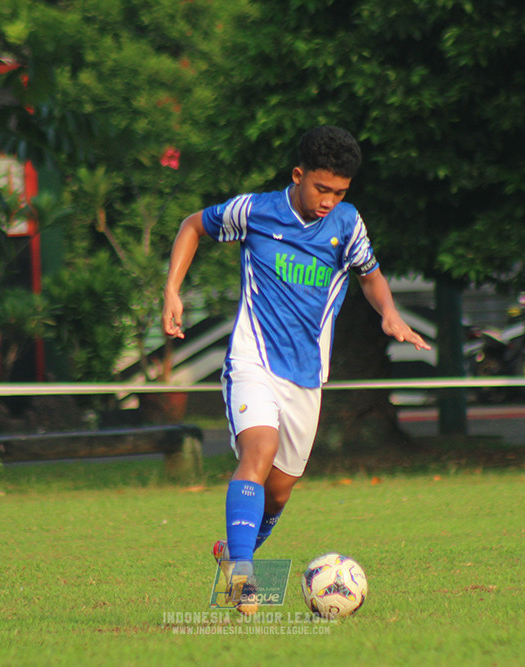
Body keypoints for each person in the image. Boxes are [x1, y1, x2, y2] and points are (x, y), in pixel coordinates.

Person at [161, 125, 429, 614]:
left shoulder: (347, 225)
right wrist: (172, 290)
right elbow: (192, 225)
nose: (329, 200)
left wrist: (389, 312)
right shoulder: (256, 212)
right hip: (253, 361)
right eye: (321, 188)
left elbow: (371, 277)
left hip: (306, 376)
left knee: (279, 495)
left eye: (339, 192)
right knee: (258, 449)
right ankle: (243, 578)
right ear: (299, 175)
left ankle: (232, 555)